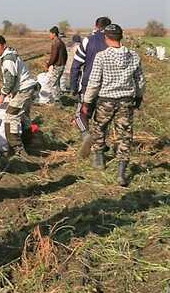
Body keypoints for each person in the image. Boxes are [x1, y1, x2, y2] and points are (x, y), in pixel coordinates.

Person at [82, 24, 146, 186]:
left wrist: (87, 101)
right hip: (126, 101)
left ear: (107, 38)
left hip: (106, 101)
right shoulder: (133, 56)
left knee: (99, 128)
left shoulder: (101, 56)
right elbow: (140, 80)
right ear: (120, 37)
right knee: (125, 135)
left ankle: (99, 159)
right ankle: (121, 173)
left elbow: (94, 82)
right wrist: (138, 97)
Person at [0, 35, 38, 157]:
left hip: (24, 90)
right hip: (28, 88)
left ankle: (17, 149)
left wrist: (2, 95)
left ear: (4, 45)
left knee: (11, 116)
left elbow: (10, 80)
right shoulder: (11, 55)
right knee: (23, 116)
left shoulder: (8, 59)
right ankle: (28, 142)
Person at [70, 17, 111, 158]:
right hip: (107, 87)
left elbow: (76, 65)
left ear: (95, 26)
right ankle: (99, 152)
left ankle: (86, 135)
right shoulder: (112, 42)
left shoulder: (88, 40)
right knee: (102, 119)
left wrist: (73, 86)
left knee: (81, 114)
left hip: (88, 85)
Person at [45, 26, 68, 103]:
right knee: (56, 82)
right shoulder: (61, 42)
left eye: (50, 34)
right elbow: (66, 55)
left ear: (54, 34)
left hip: (58, 66)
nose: (49, 35)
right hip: (61, 65)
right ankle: (59, 98)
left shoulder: (55, 43)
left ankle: (56, 100)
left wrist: (49, 64)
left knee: (52, 83)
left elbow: (53, 56)